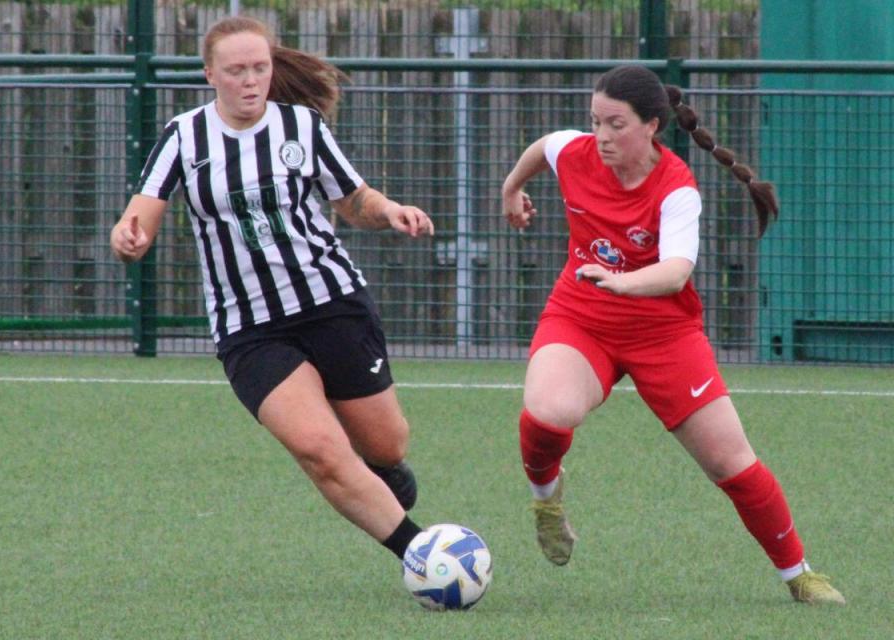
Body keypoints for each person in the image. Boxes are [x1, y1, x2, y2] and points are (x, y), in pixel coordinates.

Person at [500, 64, 844, 605]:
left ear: (652, 125)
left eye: (616, 124)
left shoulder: (677, 188)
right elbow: (545, 146)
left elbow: (676, 272)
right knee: (547, 411)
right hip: (581, 317)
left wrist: (619, 280)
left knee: (732, 463)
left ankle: (799, 574)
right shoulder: (576, 152)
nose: (602, 136)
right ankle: (546, 503)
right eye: (596, 122)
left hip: (664, 334)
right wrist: (512, 187)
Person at [110, 16, 430, 565]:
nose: (251, 80)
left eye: (260, 67)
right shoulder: (183, 137)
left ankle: (377, 473)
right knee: (319, 450)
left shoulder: (301, 127)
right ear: (210, 74)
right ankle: (423, 555)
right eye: (236, 70)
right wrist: (127, 238)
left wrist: (390, 211)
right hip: (249, 327)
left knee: (387, 446)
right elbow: (138, 221)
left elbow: (352, 200)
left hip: (332, 303)